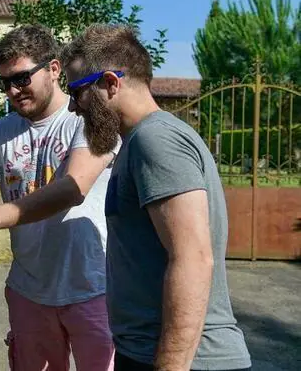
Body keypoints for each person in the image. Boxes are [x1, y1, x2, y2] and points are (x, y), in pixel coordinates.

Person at [0, 25, 117, 371]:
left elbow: (74, 188)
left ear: (54, 69)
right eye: (4, 83)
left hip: (93, 288)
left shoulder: (87, 118)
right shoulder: (1, 132)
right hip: (29, 293)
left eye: (22, 78)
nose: (13, 90)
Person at [60, 24, 251, 371]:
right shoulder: (138, 142)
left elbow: (193, 260)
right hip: (149, 353)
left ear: (110, 83)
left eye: (76, 92)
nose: (74, 108)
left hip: (184, 359)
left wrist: (170, 365)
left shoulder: (156, 141)